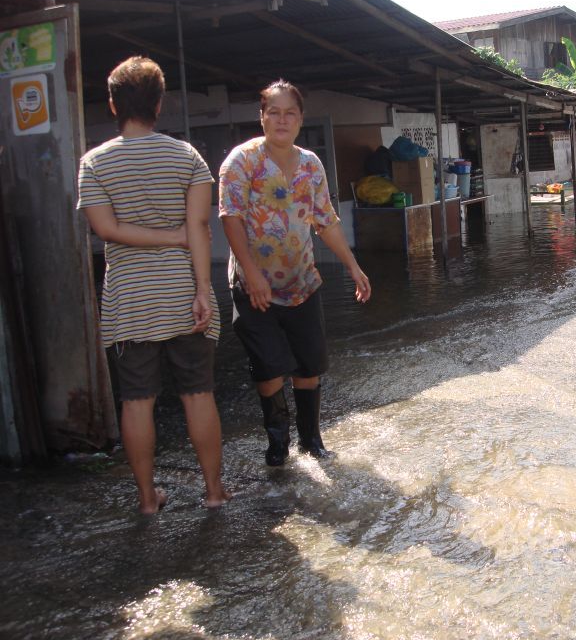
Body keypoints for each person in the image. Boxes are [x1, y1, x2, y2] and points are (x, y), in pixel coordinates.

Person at [77, 56, 231, 514]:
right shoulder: (186, 157)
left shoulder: (94, 163)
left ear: (112, 104)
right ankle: (213, 491)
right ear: (159, 104)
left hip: (129, 301)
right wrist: (203, 290)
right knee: (198, 393)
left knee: (137, 401)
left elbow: (105, 230)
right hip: (184, 293)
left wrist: (165, 237)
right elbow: (199, 229)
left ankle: (147, 500)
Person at [219, 80, 371, 466]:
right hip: (255, 287)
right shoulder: (242, 161)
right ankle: (277, 444)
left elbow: (326, 221)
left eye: (290, 113)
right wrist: (251, 275)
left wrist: (353, 266)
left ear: (301, 118)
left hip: (302, 282)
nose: (281, 119)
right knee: (269, 369)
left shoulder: (310, 164)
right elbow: (231, 219)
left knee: (308, 367)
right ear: (262, 116)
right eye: (274, 112)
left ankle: (311, 441)